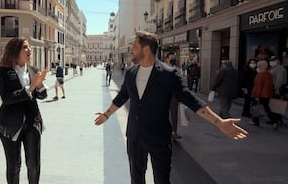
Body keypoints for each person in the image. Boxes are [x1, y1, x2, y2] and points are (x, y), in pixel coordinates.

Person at [94, 31, 248, 184]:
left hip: (159, 138)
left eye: (134, 46)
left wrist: (219, 122)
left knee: (162, 180)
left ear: (146, 49)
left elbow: (191, 100)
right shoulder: (131, 73)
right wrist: (107, 114)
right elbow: (122, 96)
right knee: (136, 178)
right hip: (135, 137)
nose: (131, 50)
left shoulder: (168, 74)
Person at [0, 38, 48, 184]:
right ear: (15, 50)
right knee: (14, 166)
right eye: (25, 47)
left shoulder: (33, 70)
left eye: (29, 47)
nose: (29, 50)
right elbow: (7, 98)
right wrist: (30, 88)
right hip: (10, 124)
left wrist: (40, 84)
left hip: (32, 121)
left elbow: (42, 95)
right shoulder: (4, 71)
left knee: (34, 165)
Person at [251, 60, 274, 128]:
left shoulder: (260, 75)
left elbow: (258, 86)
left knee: (255, 107)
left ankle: (255, 121)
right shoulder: (269, 74)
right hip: (267, 94)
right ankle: (274, 120)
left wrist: (256, 96)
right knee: (267, 107)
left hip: (260, 94)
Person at [164, 52, 181, 140]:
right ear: (166, 59)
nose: (173, 60)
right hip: (163, 96)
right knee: (163, 114)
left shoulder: (177, 69)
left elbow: (180, 83)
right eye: (171, 58)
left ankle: (174, 132)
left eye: (174, 58)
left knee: (174, 115)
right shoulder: (162, 69)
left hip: (174, 96)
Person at [268, 56, 286, 126]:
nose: (271, 61)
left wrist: (276, 88)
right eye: (271, 60)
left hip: (278, 88)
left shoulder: (280, 68)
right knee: (275, 104)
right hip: (274, 87)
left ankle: (277, 120)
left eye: (273, 60)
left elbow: (279, 79)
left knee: (276, 104)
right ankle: (277, 119)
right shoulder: (273, 68)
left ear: (278, 61)